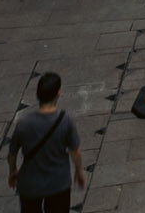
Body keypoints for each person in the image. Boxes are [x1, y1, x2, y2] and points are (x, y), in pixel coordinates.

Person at [7, 70, 86, 211]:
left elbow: (12, 153)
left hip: (30, 185)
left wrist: (13, 171)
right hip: (58, 184)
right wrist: (79, 171)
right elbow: (75, 151)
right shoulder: (65, 121)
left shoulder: (24, 124)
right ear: (58, 93)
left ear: (37, 95)